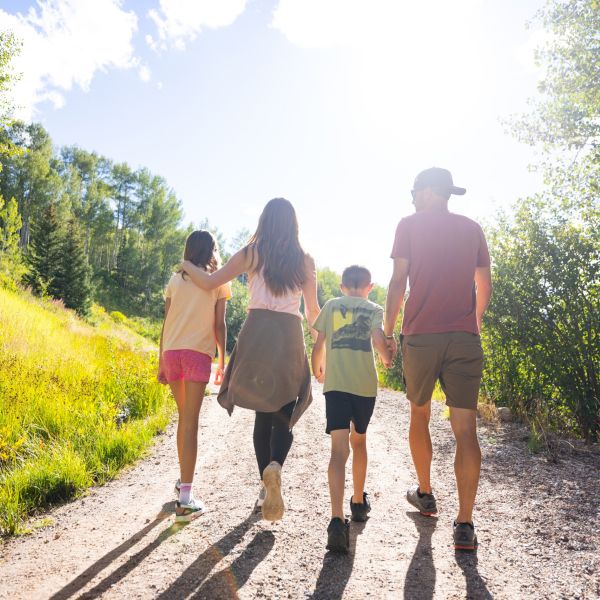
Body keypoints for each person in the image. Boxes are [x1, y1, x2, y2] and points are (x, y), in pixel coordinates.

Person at [181, 198, 320, 522]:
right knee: (284, 413)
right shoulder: (304, 260)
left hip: (258, 332)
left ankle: (264, 486)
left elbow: (211, 282)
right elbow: (313, 311)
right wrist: (320, 349)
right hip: (288, 334)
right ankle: (275, 469)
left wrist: (187, 265)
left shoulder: (251, 253)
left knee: (262, 415)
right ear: (293, 224)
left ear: (264, 221)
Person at [384, 167, 492, 551]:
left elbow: (398, 281)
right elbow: (485, 285)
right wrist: (471, 325)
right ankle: (464, 524)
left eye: (415, 191)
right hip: (465, 338)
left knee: (420, 413)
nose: (412, 198)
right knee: (465, 429)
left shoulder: (408, 225)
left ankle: (426, 493)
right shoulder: (472, 228)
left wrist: (386, 329)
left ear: (429, 192)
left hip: (421, 337)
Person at [311, 265, 392, 553]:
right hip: (364, 388)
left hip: (336, 386)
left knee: (337, 451)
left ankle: (336, 520)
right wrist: (386, 358)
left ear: (343, 286)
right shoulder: (373, 308)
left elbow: (319, 343)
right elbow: (379, 342)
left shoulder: (332, 306)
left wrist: (317, 368)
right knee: (359, 442)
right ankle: (358, 502)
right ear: (369, 286)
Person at [158, 230, 231, 522]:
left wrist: (159, 360)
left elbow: (166, 322)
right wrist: (222, 360)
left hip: (172, 352)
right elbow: (220, 324)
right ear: (212, 250)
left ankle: (182, 480)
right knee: (190, 422)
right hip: (196, 354)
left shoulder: (175, 280)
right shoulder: (219, 283)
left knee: (183, 419)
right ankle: (186, 500)